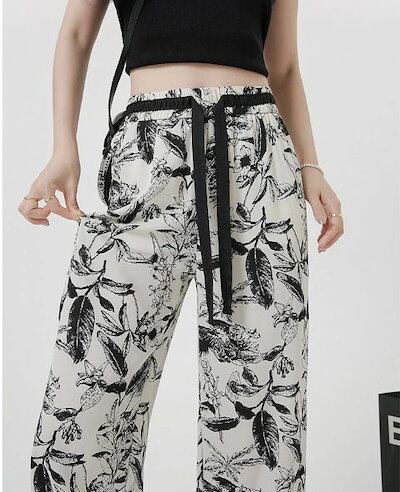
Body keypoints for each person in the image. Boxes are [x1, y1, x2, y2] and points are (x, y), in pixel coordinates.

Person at [20, 1, 344, 491]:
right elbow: (76, 35)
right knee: (83, 409)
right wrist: (64, 147)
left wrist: (310, 167)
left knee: (259, 412)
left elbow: (283, 66)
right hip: (148, 152)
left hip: (257, 162)